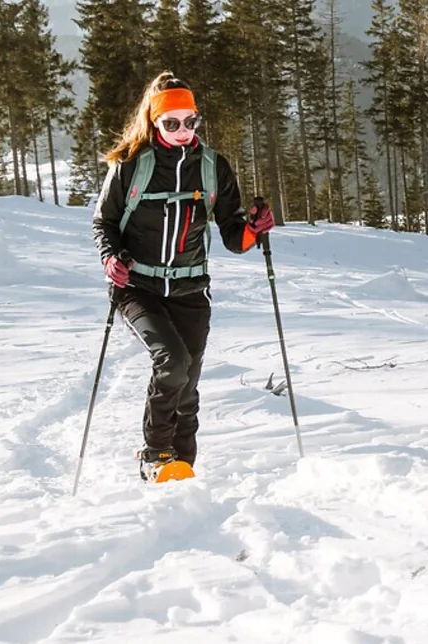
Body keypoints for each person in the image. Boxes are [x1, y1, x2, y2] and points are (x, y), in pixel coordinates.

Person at [90, 72, 276, 483]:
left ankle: (183, 467)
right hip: (138, 287)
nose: (182, 131)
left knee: (187, 386)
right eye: (171, 123)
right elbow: (104, 222)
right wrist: (110, 259)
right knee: (171, 363)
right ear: (155, 123)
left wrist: (254, 228)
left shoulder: (211, 167)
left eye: (190, 121)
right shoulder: (130, 166)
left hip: (191, 289)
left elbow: (232, 234)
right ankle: (155, 454)